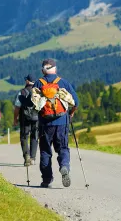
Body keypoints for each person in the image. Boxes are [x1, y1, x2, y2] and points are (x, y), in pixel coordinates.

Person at [32, 59, 78, 188]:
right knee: (63, 148)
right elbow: (76, 102)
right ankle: (64, 166)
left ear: (43, 70)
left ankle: (47, 179)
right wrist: (71, 112)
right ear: (55, 69)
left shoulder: (38, 83)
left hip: (45, 124)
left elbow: (33, 104)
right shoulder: (63, 83)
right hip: (62, 122)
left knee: (46, 151)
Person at [13, 74, 39, 166]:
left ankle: (26, 156)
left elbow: (17, 107)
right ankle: (33, 158)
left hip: (25, 118)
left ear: (27, 81)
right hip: (36, 118)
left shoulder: (22, 92)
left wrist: (15, 119)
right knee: (34, 136)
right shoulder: (37, 92)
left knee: (24, 137)